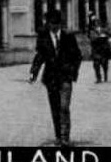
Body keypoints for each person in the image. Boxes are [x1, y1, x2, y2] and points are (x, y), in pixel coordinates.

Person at [29, 9, 82, 147]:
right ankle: (58, 136)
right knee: (55, 108)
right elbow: (39, 56)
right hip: (51, 79)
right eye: (50, 24)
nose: (52, 27)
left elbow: (77, 56)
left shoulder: (68, 37)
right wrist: (33, 73)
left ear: (59, 24)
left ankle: (65, 137)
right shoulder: (43, 38)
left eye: (54, 24)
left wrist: (72, 73)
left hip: (65, 78)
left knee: (64, 107)